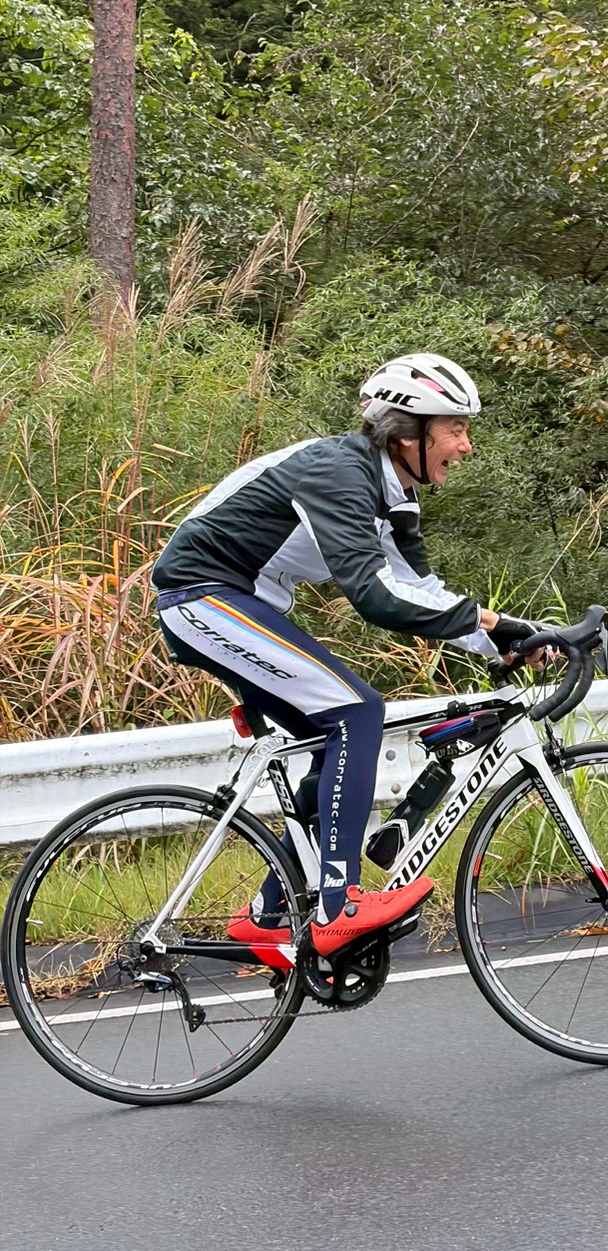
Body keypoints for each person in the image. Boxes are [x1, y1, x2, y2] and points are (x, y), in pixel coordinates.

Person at [152, 353, 540, 962]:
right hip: (200, 595)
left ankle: (268, 913)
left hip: (240, 601)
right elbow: (376, 596)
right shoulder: (339, 470)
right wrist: (495, 623)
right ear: (407, 431)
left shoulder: (395, 491)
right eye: (456, 428)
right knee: (358, 712)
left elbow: (422, 592)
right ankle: (337, 907)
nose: (465, 446)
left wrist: (514, 637)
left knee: (331, 741)